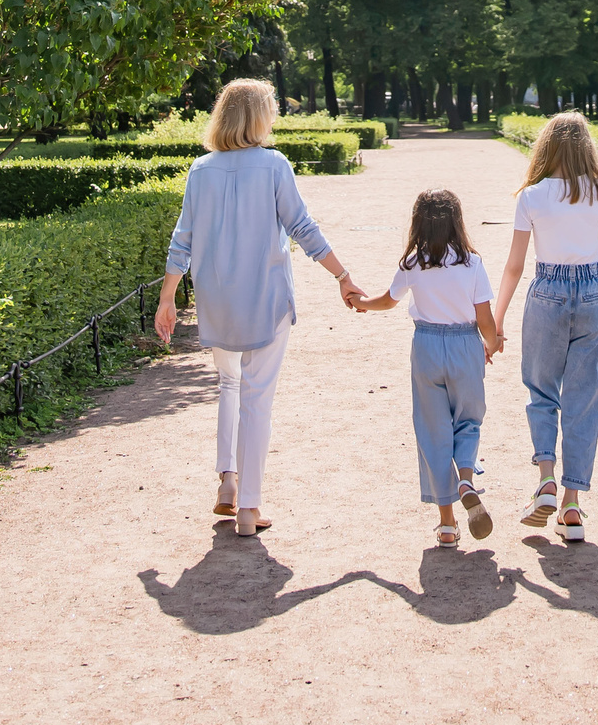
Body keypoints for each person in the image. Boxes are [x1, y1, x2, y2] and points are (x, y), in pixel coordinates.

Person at [154, 80, 365, 537]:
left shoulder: (200, 169)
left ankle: (227, 482)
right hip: (264, 299)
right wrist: (342, 276)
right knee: (256, 399)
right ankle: (248, 508)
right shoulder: (273, 165)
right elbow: (302, 227)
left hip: (215, 299)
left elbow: (182, 238)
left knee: (230, 384)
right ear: (257, 118)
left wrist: (167, 297)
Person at [492, 112, 598, 544]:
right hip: (593, 289)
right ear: (585, 148)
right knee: (584, 397)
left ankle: (546, 480)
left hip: (548, 290)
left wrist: (496, 320)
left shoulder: (532, 196)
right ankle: (572, 504)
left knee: (541, 391)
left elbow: (515, 266)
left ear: (546, 147)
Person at [356, 189, 505, 547]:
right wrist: (492, 343)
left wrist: (360, 303)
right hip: (465, 344)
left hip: (425, 347)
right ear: (457, 222)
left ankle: (448, 523)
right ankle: (466, 479)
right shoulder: (472, 263)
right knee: (468, 421)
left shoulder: (413, 262)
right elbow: (485, 319)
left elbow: (388, 302)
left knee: (433, 432)